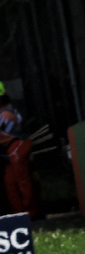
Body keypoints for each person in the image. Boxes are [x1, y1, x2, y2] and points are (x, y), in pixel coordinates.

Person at [0, 82, 38, 219]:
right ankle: (19, 215)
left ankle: (31, 214)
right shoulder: (6, 111)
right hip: (10, 148)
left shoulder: (6, 114)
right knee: (10, 182)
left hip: (17, 145)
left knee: (22, 181)